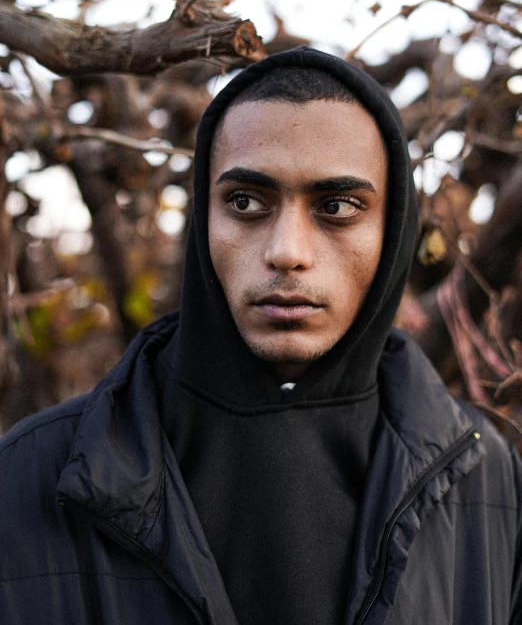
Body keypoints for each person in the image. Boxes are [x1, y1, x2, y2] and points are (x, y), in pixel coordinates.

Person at [0, 46, 521, 625]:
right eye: (246, 202)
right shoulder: (26, 478)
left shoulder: (487, 481)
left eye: (338, 206)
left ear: (392, 229)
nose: (287, 253)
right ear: (204, 217)